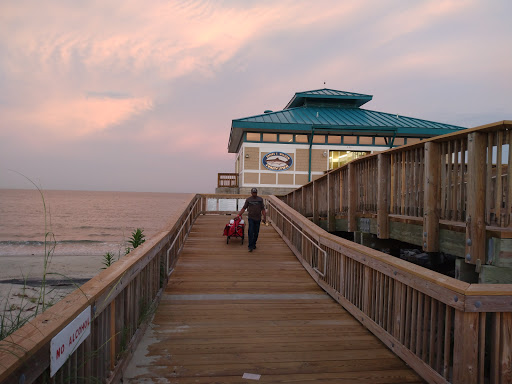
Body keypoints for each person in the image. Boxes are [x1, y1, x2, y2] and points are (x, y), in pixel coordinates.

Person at [238, 188, 266, 252]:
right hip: (251, 218)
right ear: (251, 193)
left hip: (258, 218)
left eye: (255, 193)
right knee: (250, 232)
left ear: (257, 193)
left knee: (256, 232)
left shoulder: (260, 199)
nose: (254, 194)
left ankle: (254, 244)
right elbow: (244, 208)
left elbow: (263, 209)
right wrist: (238, 215)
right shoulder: (248, 199)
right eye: (253, 193)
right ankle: (250, 246)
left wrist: (264, 217)